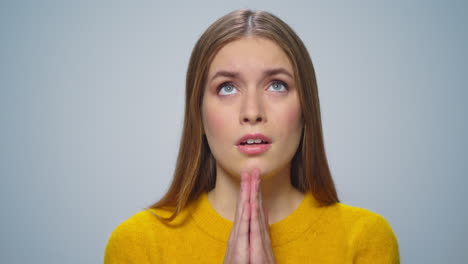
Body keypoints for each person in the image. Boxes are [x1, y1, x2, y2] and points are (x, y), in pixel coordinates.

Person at [104, 8, 400, 263]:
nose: (252, 111)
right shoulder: (137, 244)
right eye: (227, 88)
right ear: (200, 116)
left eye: (277, 85)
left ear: (306, 108)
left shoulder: (365, 239)